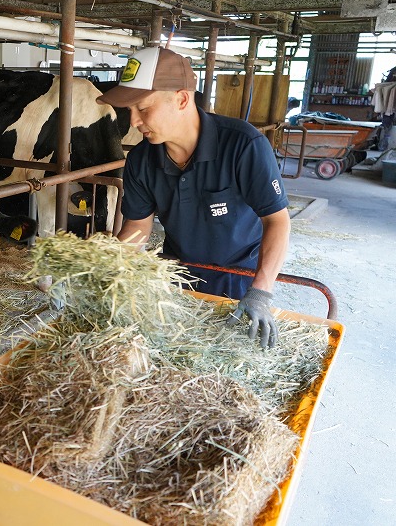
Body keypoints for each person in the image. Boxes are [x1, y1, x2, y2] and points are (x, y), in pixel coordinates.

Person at [96, 46, 291, 348]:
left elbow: (277, 221)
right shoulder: (140, 160)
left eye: (143, 108)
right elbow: (137, 228)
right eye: (129, 110)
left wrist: (261, 291)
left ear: (182, 99)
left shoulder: (244, 145)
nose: (133, 121)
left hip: (240, 281)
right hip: (177, 282)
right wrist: (101, 269)